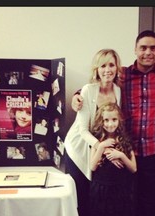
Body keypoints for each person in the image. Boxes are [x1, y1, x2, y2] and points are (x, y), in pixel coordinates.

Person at [71, 30, 155, 216]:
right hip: (124, 146)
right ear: (135, 50)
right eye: (143, 48)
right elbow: (98, 85)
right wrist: (77, 95)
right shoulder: (122, 75)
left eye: (153, 48)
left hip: (152, 150)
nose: (148, 52)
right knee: (122, 197)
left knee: (149, 199)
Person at [64, 48, 122, 216]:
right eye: (103, 65)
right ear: (96, 69)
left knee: (96, 196)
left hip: (98, 150)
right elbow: (82, 130)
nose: (107, 70)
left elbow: (114, 124)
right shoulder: (88, 90)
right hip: (79, 148)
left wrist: (111, 148)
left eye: (111, 64)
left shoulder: (118, 91)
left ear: (117, 67)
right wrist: (102, 146)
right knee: (80, 197)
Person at [89, 102, 137, 216]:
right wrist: (101, 147)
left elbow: (134, 168)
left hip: (120, 189)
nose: (110, 124)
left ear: (119, 120)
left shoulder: (125, 140)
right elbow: (92, 166)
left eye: (114, 119)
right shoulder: (96, 140)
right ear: (101, 121)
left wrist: (121, 155)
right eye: (106, 120)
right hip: (101, 190)